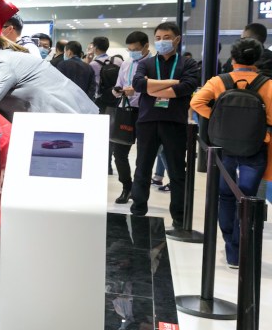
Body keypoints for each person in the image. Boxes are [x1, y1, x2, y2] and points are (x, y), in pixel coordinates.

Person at [191, 38, 272, 268]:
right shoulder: (267, 84)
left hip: (224, 146)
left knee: (225, 196)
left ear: (233, 58)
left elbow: (197, 102)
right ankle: (240, 248)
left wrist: (217, 118)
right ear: (257, 59)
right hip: (255, 147)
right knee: (246, 197)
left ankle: (230, 247)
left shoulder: (220, 81)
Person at [129, 22, 201, 229]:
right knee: (142, 167)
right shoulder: (147, 63)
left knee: (177, 172)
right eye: (158, 38)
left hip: (174, 122)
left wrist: (154, 87)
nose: (161, 41)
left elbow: (187, 87)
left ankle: (179, 217)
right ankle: (138, 210)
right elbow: (138, 85)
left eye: (166, 37)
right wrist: (172, 82)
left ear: (177, 39)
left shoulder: (187, 63)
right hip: (147, 121)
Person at [110, 31, 150, 204]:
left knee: (143, 155)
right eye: (130, 49)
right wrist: (116, 90)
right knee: (119, 153)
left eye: (135, 49)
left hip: (144, 112)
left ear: (146, 46)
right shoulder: (126, 63)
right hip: (125, 111)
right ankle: (127, 186)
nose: (132, 52)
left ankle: (140, 190)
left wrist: (138, 90)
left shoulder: (151, 63)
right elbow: (119, 84)